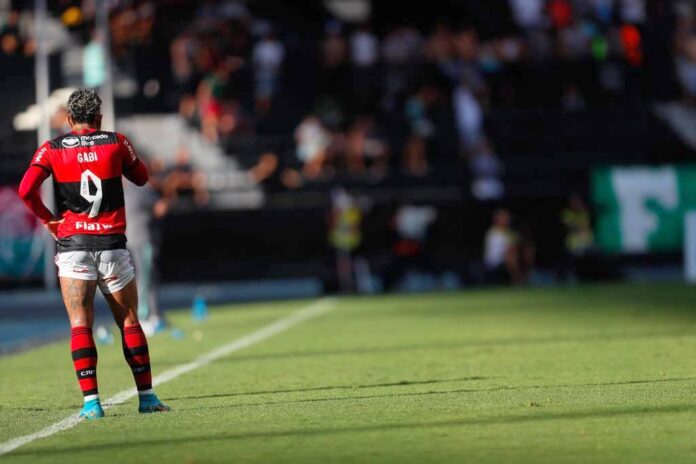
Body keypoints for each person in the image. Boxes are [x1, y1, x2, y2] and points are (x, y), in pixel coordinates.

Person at [17, 89, 170, 419]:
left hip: (74, 246)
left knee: (80, 325)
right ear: (99, 118)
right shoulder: (116, 141)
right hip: (111, 244)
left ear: (68, 119)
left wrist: (48, 219)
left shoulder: (52, 148)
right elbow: (142, 178)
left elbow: (25, 189)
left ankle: (92, 404)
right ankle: (147, 398)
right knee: (129, 321)